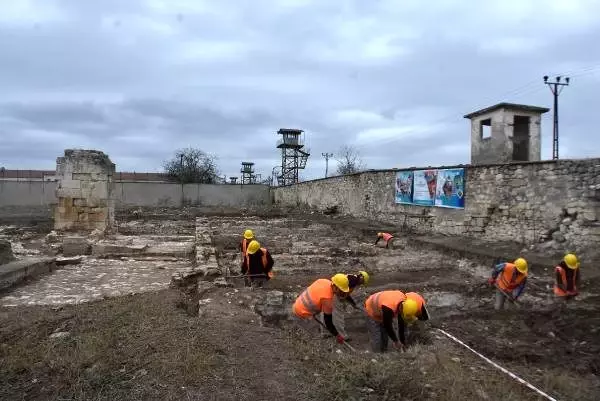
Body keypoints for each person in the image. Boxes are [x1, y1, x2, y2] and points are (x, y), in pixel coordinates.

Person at [292, 274, 351, 345]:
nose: (341, 293)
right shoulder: (327, 299)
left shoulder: (323, 281)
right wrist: (337, 335)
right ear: (335, 287)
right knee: (311, 340)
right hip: (302, 314)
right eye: (341, 291)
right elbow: (328, 322)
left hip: (297, 304)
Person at [364, 290, 429, 353]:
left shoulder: (404, 304)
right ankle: (376, 355)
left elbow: (401, 326)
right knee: (377, 337)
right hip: (371, 309)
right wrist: (396, 341)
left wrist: (402, 342)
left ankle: (383, 353)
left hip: (381, 309)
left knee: (385, 336)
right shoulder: (389, 307)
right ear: (401, 309)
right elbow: (388, 326)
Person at [332, 271, 370, 341]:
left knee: (328, 312)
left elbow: (346, 293)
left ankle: (326, 331)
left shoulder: (352, 278)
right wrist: (353, 303)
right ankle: (343, 336)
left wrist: (353, 303)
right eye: (362, 282)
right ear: (361, 278)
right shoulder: (353, 280)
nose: (361, 284)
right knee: (338, 316)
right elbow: (344, 292)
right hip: (336, 295)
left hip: (335, 293)